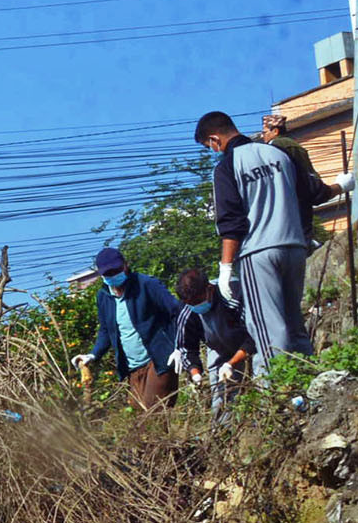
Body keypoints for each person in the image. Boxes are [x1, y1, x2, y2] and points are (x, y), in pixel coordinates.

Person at [197, 110, 340, 360]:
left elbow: (231, 222)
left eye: (210, 146)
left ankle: (279, 393)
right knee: (294, 323)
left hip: (258, 254)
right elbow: (315, 193)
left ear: (215, 139)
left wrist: (226, 268)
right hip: (294, 248)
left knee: (267, 329)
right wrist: (343, 185)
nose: (213, 151)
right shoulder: (279, 154)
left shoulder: (227, 166)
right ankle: (306, 382)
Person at [73, 246, 182, 410]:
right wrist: (93, 355)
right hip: (133, 368)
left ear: (125, 265)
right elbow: (106, 331)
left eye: (116, 270)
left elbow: (177, 311)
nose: (112, 276)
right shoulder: (104, 297)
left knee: (152, 415)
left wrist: (179, 345)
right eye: (107, 274)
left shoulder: (146, 285)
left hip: (159, 360)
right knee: (139, 417)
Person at [171, 267, 255, 403]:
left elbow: (255, 335)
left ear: (209, 288)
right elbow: (187, 347)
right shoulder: (186, 308)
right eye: (191, 304)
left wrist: (231, 363)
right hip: (218, 349)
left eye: (198, 301)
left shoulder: (233, 294)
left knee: (261, 383)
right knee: (221, 398)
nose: (196, 306)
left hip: (250, 344)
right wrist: (195, 373)